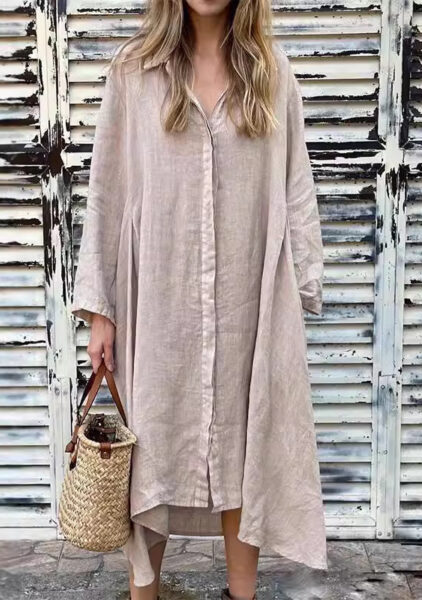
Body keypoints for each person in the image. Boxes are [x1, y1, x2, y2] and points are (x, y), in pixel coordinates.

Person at [70, 1, 328, 599]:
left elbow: (297, 185)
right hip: (159, 305)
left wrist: (301, 285)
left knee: (243, 448)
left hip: (247, 302)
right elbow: (107, 192)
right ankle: (145, 593)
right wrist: (100, 310)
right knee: (152, 450)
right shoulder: (133, 72)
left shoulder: (271, 73)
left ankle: (242, 594)